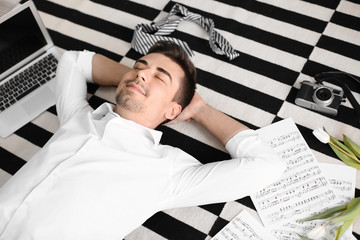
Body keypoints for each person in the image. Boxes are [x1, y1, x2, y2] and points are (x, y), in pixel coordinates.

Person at [0, 41, 285, 240]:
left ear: (173, 110)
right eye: (139, 66)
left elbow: (267, 166)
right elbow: (73, 61)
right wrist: (132, 77)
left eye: (160, 77)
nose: (141, 73)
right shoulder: (78, 117)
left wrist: (200, 109)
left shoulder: (167, 170)